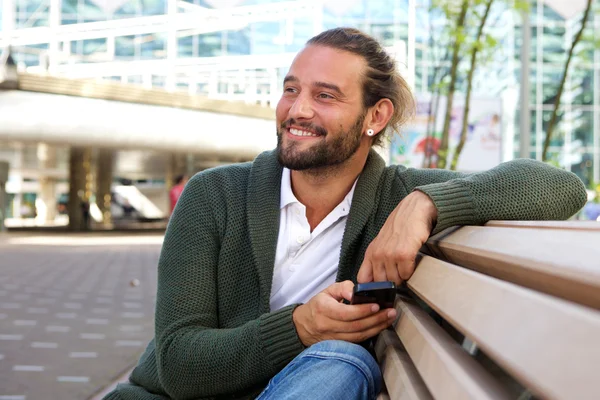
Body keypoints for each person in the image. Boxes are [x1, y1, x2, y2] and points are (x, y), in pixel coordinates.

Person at [103, 28, 587, 400]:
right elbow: (179, 364)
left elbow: (559, 187)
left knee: (342, 362)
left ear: (375, 117)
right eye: (291, 90)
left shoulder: (396, 194)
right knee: (338, 358)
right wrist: (301, 327)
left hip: (317, 383)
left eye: (325, 96)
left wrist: (426, 203)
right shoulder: (213, 195)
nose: (297, 109)